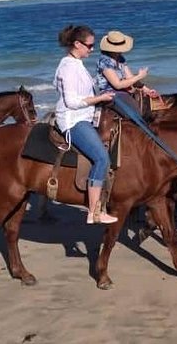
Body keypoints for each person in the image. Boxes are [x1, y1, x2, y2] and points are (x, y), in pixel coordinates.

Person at [54, 25, 117, 224]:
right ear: (77, 44)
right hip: (74, 120)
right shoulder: (68, 68)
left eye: (93, 45)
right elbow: (72, 102)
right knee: (101, 158)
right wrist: (99, 99)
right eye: (89, 45)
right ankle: (94, 211)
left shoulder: (77, 64)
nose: (92, 49)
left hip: (85, 116)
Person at [94, 30, 158, 118]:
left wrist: (146, 89)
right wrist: (139, 76)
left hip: (123, 91)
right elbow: (117, 85)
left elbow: (130, 77)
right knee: (135, 113)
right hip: (110, 94)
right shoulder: (104, 61)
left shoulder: (120, 58)